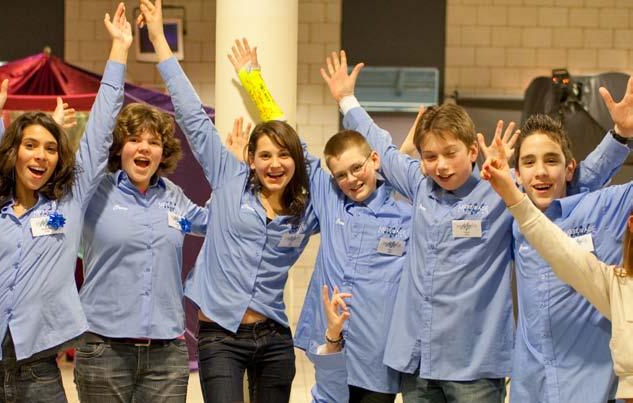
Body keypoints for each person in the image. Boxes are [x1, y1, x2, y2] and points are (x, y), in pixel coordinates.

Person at [320, 50, 627, 402]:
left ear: (471, 151)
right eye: (431, 157)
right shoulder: (419, 185)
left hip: (475, 368)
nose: (441, 166)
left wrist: (619, 137)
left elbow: (570, 180)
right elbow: (381, 146)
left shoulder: (499, 187)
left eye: (450, 153)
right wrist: (346, 99)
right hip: (417, 365)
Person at [140, 1, 320, 401]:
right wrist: (159, 42)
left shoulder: (307, 208)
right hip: (219, 336)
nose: (275, 164)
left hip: (274, 337)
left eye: (284, 155)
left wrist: (256, 84)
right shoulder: (230, 178)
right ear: (250, 160)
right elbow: (190, 115)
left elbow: (317, 161)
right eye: (265, 156)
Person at [0, 4, 130, 401]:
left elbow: (100, 131)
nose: (41, 155)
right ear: (14, 151)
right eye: (30, 145)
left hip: (39, 371)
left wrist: (118, 51)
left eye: (50, 148)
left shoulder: (69, 202)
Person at [225, 37, 415, 403]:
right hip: (330, 342)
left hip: (380, 350)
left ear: (374, 161)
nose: (351, 180)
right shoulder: (329, 195)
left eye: (357, 168)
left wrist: (349, 102)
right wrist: (252, 79)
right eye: (341, 174)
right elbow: (286, 135)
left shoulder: (406, 211)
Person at [74, 37, 208, 403]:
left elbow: (216, 223)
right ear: (120, 148)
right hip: (104, 351)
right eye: (134, 139)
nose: (144, 148)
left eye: (154, 141)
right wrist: (118, 50)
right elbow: (97, 131)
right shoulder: (94, 191)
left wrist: (237, 176)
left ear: (164, 151)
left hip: (167, 356)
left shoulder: (174, 197)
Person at [481, 132, 633, 403]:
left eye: (551, 160)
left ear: (570, 168)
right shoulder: (514, 221)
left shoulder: (604, 208)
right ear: (517, 174)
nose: (540, 171)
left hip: (594, 389)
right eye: (529, 162)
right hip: (531, 387)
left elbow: (586, 178)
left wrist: (621, 135)